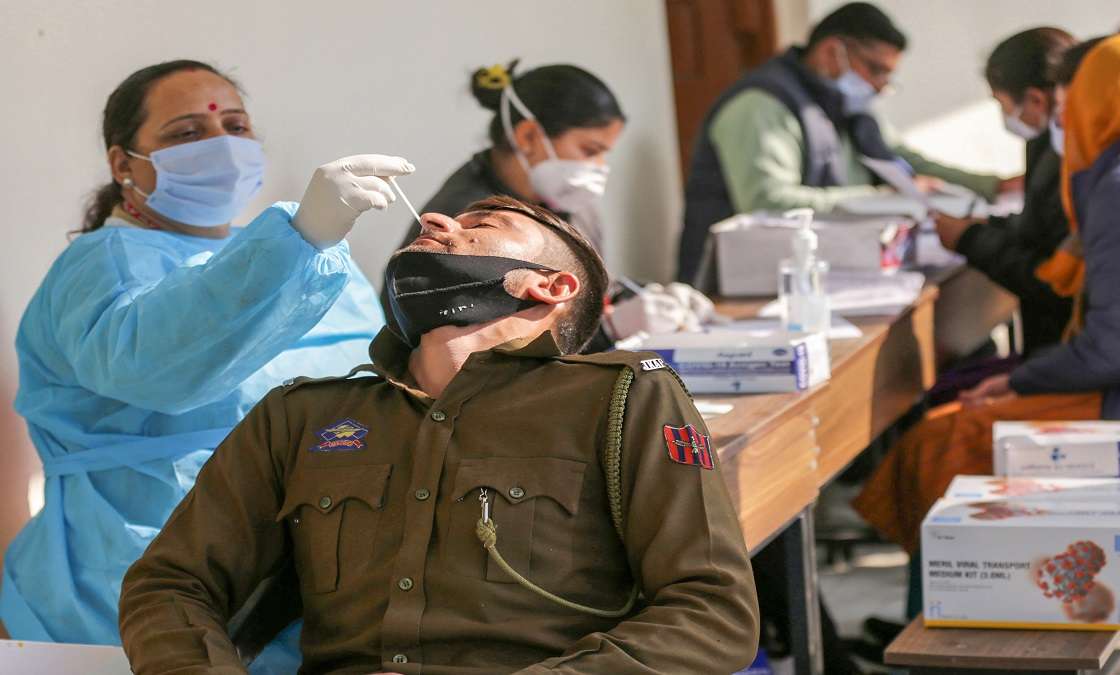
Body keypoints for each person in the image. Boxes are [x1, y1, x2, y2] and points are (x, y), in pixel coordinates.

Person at [119, 195, 760, 674]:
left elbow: (710, 610)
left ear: (550, 286)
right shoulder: (302, 416)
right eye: (439, 222)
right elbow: (171, 583)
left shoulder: (622, 399)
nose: (433, 223)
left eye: (479, 226)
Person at [0, 59, 412, 664]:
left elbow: (373, 391)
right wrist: (299, 240)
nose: (222, 147)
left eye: (237, 127)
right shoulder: (103, 264)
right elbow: (163, 369)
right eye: (187, 133)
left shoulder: (318, 262)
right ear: (123, 164)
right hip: (143, 570)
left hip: (310, 569)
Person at [855, 31, 1120, 563]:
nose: (1060, 119)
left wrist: (1018, 381)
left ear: (1099, 100)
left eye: (1068, 103)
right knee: (955, 423)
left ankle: (958, 611)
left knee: (943, 441)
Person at [678, 1, 1018, 286]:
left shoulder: (844, 103)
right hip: (741, 290)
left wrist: (993, 185)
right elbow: (767, 202)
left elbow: (903, 160)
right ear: (832, 51)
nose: (881, 86)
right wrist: (879, 200)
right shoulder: (760, 106)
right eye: (876, 70)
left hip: (822, 274)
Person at [933, 28, 1076, 356]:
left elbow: (1054, 277)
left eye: (1002, 104)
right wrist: (986, 227)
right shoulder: (1047, 144)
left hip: (1067, 349)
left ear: (1037, 99)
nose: (1005, 117)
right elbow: (1041, 228)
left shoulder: (1080, 162)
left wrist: (968, 239)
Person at [392, 61, 624, 257]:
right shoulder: (463, 217)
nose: (599, 167)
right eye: (590, 150)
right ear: (528, 136)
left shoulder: (571, 202)